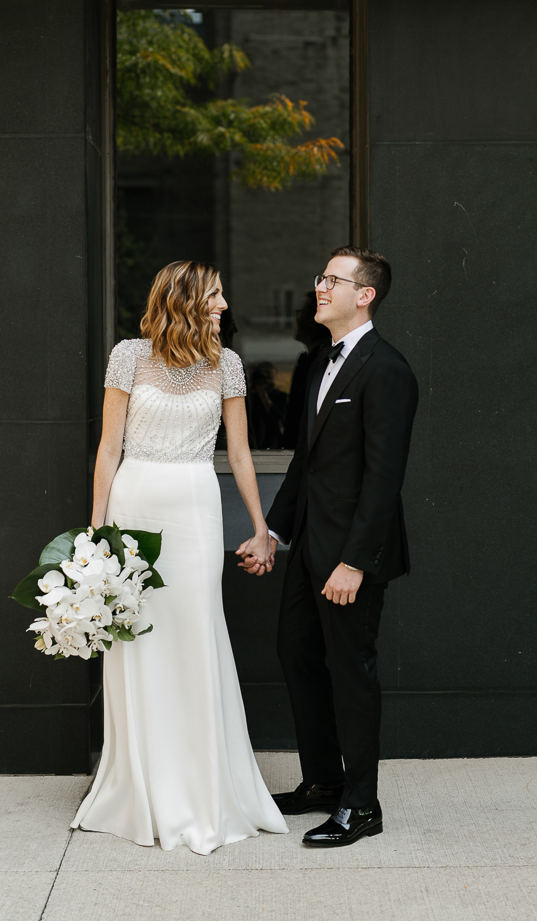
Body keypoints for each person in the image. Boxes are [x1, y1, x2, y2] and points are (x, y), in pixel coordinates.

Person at [71, 260, 288, 855]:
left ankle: (201, 783)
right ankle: (141, 782)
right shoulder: (128, 357)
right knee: (138, 636)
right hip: (134, 503)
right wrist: (96, 532)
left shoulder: (229, 364)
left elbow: (240, 454)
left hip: (194, 505)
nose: (224, 306)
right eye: (216, 296)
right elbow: (108, 447)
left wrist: (260, 526)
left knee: (194, 631)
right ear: (186, 298)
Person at [239, 246, 418, 848]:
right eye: (320, 277)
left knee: (351, 674)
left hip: (350, 559)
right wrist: (273, 532)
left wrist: (354, 563)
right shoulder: (318, 363)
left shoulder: (387, 369)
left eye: (331, 280)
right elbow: (306, 465)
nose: (319, 287)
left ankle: (362, 806)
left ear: (364, 295)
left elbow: (382, 479)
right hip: (308, 549)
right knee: (296, 655)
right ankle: (321, 782)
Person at [282, 291, 331, 449]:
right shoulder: (316, 359)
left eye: (300, 313)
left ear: (312, 319)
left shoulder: (316, 363)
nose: (297, 318)